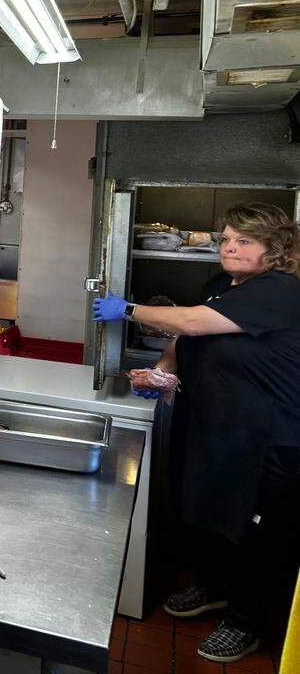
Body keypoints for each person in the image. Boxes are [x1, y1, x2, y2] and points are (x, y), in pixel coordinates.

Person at [93, 203, 300, 664]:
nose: (230, 247)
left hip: (266, 438)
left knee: (257, 535)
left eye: (244, 241)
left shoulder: (281, 291)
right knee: (210, 514)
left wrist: (125, 308)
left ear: (274, 250)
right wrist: (165, 371)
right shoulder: (222, 286)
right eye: (226, 238)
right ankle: (215, 590)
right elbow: (185, 337)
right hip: (217, 426)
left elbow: (190, 321)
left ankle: (246, 622)